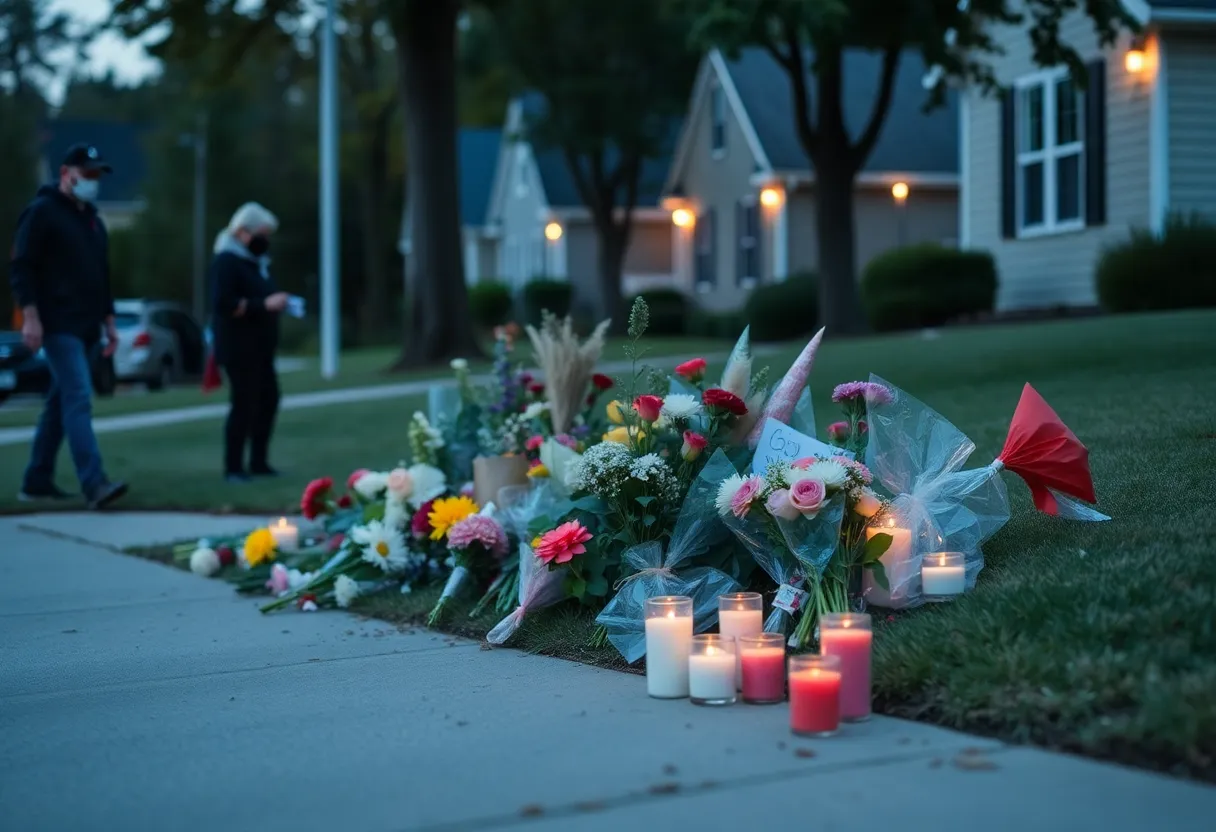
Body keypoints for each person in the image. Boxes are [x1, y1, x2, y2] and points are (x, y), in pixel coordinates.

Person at [9, 143, 128, 509]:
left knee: (60, 403)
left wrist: (109, 322)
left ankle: (36, 480)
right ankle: (94, 484)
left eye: (96, 175)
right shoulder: (42, 212)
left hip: (87, 324)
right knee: (77, 396)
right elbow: (22, 267)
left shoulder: (92, 220)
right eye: (86, 174)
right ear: (66, 173)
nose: (92, 181)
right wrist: (30, 316)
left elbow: (100, 275)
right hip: (56, 323)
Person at [210, 202, 290, 482]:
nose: (264, 241)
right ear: (243, 232)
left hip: (261, 348)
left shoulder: (257, 264)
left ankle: (259, 461)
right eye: (262, 234)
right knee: (243, 404)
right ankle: (233, 467)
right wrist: (263, 305)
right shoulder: (227, 261)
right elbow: (223, 303)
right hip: (239, 348)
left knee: (268, 399)